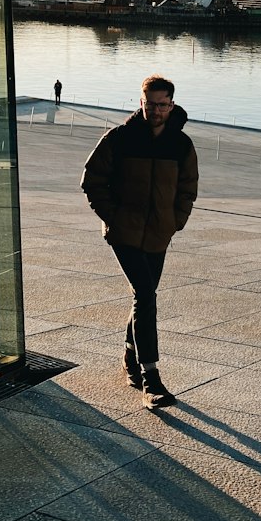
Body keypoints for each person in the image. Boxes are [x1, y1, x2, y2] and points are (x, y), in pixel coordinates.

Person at [81, 74, 198, 409]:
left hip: (159, 234)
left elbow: (188, 187)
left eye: (162, 105)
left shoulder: (181, 145)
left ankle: (130, 355)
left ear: (172, 104)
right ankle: (151, 377)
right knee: (146, 294)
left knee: (142, 296)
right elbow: (92, 180)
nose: (156, 110)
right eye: (150, 104)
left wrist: (176, 221)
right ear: (141, 102)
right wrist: (113, 217)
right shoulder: (119, 138)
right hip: (124, 233)